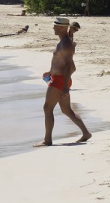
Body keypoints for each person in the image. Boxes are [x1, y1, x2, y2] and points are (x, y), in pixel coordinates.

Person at [36, 18, 90, 147]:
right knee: (67, 110)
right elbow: (60, 63)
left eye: (55, 26)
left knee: (47, 108)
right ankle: (86, 133)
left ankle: (47, 140)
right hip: (58, 78)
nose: (53, 28)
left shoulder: (66, 44)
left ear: (61, 27)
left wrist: (65, 87)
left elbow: (69, 67)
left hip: (60, 81)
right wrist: (50, 72)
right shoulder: (63, 42)